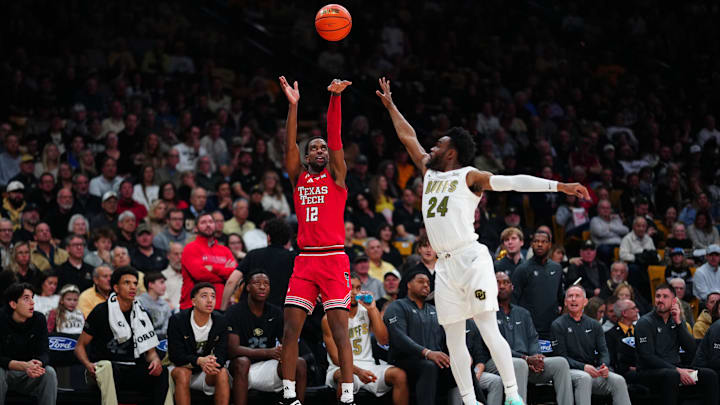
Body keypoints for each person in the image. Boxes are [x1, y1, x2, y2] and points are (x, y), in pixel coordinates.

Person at [377, 76, 590, 405]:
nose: (431, 148)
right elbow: (409, 138)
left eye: (439, 145)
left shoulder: (469, 176)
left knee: (488, 328)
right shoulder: (430, 172)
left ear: (452, 153)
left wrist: (559, 186)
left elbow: (511, 181)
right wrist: (391, 107)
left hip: (471, 258)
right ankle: (470, 401)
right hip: (445, 265)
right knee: (453, 338)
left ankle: (513, 395)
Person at [278, 76, 355, 405]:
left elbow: (336, 139)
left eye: (323, 147)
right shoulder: (299, 176)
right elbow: (289, 145)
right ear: (307, 157)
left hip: (334, 258)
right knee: (290, 330)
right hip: (306, 260)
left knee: (340, 331)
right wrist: (293, 106)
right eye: (315, 148)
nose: (321, 150)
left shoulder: (337, 176)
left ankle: (348, 395)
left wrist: (334, 100)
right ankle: (288, 395)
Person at [74, 267, 169, 405]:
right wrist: (89, 365)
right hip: (104, 369)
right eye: (127, 283)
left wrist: (155, 361)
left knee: (163, 372)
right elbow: (79, 347)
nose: (132, 287)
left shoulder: (142, 314)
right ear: (116, 288)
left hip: (132, 368)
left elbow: (151, 353)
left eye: (135, 283)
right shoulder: (101, 311)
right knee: (108, 368)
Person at [473, 272, 572, 405]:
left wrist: (536, 356)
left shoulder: (523, 313)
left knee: (561, 363)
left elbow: (533, 338)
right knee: (518, 365)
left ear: (512, 287)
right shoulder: (486, 314)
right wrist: (525, 359)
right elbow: (493, 346)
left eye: (506, 282)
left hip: (527, 362)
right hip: (495, 361)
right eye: (497, 282)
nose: (501, 286)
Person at [383, 270, 470, 405]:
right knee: (428, 366)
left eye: (428, 283)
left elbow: (447, 339)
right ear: (409, 285)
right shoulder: (397, 306)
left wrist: (460, 355)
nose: (426, 285)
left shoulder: (434, 310)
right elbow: (399, 338)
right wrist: (427, 353)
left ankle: (478, 402)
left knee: (462, 365)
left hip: (433, 360)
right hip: (404, 360)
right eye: (420, 281)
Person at [323, 273, 409, 404]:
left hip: (368, 365)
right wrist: (359, 372)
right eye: (350, 288)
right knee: (345, 377)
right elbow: (336, 359)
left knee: (399, 375)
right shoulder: (329, 317)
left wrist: (373, 309)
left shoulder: (366, 310)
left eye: (358, 288)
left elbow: (384, 340)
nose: (354, 292)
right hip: (340, 368)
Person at [226, 270, 306, 405]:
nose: (262, 287)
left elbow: (287, 344)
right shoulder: (234, 312)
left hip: (265, 366)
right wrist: (267, 352)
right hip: (237, 368)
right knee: (242, 362)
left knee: (299, 363)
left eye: (266, 284)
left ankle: (296, 402)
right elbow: (232, 350)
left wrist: (284, 352)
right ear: (248, 287)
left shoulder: (275, 312)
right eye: (257, 283)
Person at [635, 284, 719, 405]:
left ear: (674, 301)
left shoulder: (676, 321)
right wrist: (678, 370)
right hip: (649, 371)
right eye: (658, 296)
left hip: (674, 368)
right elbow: (647, 357)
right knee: (672, 375)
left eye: (665, 296)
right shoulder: (645, 322)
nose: (660, 300)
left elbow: (691, 349)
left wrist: (679, 323)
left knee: (709, 375)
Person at [550, 285, 631, 404]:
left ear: (585, 302)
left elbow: (604, 351)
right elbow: (561, 358)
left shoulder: (594, 325)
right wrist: (583, 367)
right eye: (570, 296)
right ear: (565, 302)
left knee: (618, 380)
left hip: (592, 370)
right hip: (569, 372)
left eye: (577, 296)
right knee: (584, 378)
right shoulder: (557, 325)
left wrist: (604, 365)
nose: (573, 299)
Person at [167, 282, 230, 405]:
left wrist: (212, 363)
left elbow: (222, 353)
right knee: (183, 373)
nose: (209, 300)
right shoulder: (178, 320)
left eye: (213, 296)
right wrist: (199, 360)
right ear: (193, 301)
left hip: (204, 368)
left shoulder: (220, 320)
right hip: (178, 366)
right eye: (204, 296)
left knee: (221, 372)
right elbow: (176, 356)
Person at [0, 283, 57, 405]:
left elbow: (45, 352)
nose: (32, 302)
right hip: (7, 372)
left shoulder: (39, 319)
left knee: (49, 372)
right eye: (26, 298)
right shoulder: (1, 319)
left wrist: (38, 363)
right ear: (13, 304)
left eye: (32, 298)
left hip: (30, 374)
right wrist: (22, 365)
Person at [222, 218, 295, 309]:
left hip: (247, 311)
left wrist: (223, 310)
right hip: (279, 312)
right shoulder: (294, 258)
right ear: (288, 240)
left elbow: (231, 281)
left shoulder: (253, 254)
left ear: (268, 237)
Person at [511, 230, 564, 341]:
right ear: (531, 244)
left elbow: (560, 297)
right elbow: (513, 301)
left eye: (544, 241)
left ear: (550, 245)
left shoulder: (557, 268)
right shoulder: (522, 269)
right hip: (529, 328)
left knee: (553, 358)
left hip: (551, 327)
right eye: (536, 241)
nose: (540, 244)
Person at [180, 212, 236, 310]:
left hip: (221, 307)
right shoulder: (191, 248)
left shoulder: (225, 250)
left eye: (210, 222)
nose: (208, 225)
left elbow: (235, 275)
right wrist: (225, 275)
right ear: (196, 228)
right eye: (203, 222)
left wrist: (214, 269)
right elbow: (200, 275)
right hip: (193, 308)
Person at [137, 272, 172, 337]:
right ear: (151, 284)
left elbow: (167, 327)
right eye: (161, 282)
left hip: (161, 340)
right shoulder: (138, 302)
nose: (164, 286)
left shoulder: (165, 305)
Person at [161, 242, 184, 311]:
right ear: (168, 256)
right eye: (176, 254)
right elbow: (163, 301)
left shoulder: (191, 275)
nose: (180, 257)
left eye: (182, 254)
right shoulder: (162, 276)